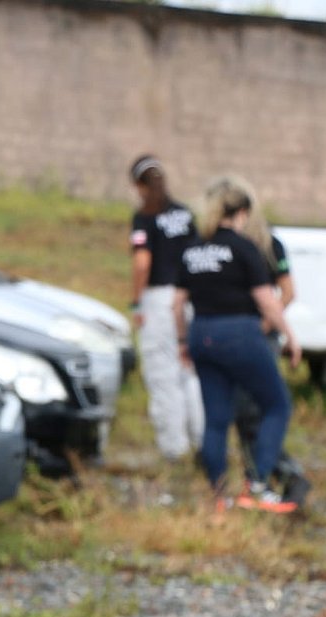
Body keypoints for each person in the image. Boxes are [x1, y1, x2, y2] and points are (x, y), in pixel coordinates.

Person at [173, 175, 302, 513]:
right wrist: (289, 335)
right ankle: (257, 486)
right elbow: (268, 300)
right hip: (241, 334)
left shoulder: (194, 248)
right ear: (243, 211)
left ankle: (218, 498)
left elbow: (177, 304)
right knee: (276, 406)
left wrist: (183, 341)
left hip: (202, 334)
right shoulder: (244, 247)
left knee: (216, 419)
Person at [129, 155, 204, 460]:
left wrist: (136, 302)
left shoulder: (144, 218)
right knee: (191, 371)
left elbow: (142, 261)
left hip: (159, 299)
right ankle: (202, 439)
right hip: (188, 297)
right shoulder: (185, 214)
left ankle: (174, 448)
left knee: (162, 373)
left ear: (138, 185)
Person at [234, 211, 311, 506]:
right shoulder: (231, 246)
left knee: (259, 411)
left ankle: (286, 476)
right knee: (243, 413)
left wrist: (265, 325)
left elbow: (288, 292)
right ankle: (257, 477)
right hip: (237, 337)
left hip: (260, 339)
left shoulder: (271, 245)